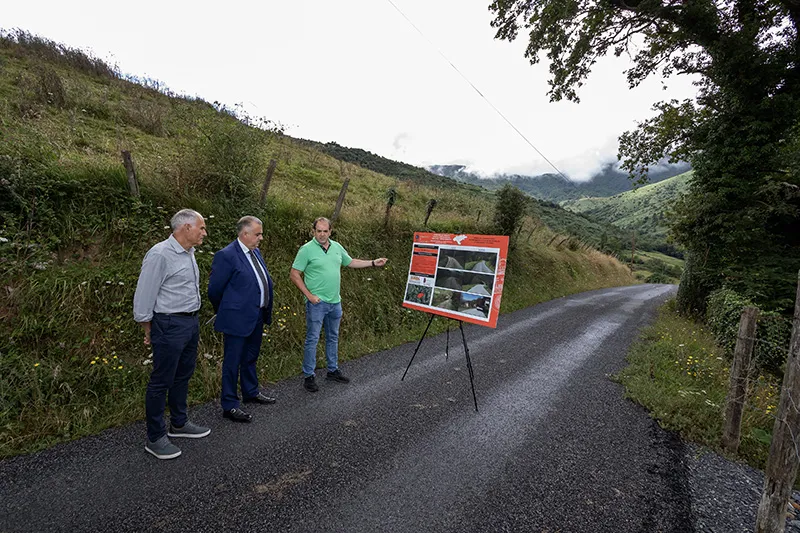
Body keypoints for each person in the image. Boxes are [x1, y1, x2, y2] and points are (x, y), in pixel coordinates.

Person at [133, 208, 211, 460]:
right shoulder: (160, 254)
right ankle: (155, 437)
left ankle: (179, 423)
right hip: (168, 323)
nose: (204, 233)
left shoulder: (189, 253)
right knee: (161, 380)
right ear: (186, 227)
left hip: (189, 322)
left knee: (183, 374)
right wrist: (148, 327)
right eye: (201, 228)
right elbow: (145, 294)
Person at [290, 217, 387, 392]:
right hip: (317, 303)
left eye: (325, 231)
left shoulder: (336, 247)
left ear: (330, 231)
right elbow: (294, 274)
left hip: (335, 302)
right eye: (318, 231)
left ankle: (332, 370)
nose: (321, 234)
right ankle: (309, 376)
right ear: (313, 232)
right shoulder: (306, 250)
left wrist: (373, 263)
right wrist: (310, 296)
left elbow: (350, 262)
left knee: (333, 337)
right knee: (313, 338)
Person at [208, 216, 275, 423]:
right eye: (257, 234)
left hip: (256, 315)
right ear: (244, 234)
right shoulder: (226, 255)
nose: (261, 238)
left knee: (250, 356)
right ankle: (229, 404)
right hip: (237, 318)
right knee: (232, 361)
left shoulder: (255, 252)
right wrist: (229, 310)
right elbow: (215, 290)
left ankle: (251, 392)